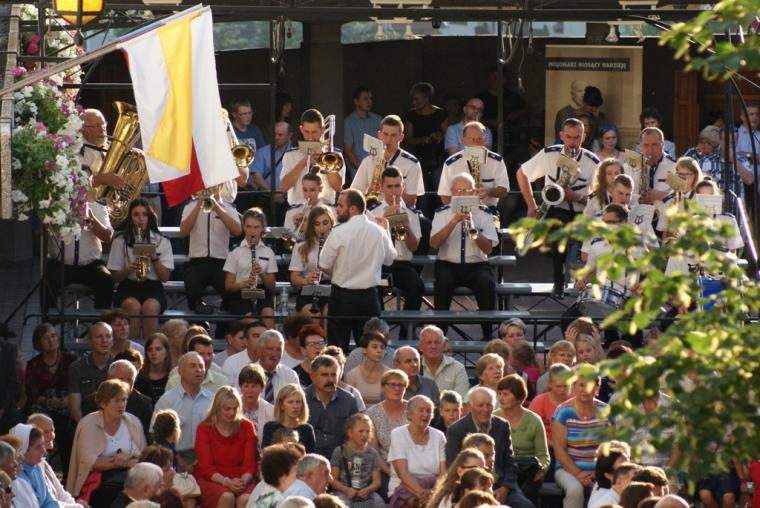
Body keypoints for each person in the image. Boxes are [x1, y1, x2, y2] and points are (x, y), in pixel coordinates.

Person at [516, 118, 600, 296]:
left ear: (584, 137)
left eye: (577, 138)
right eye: (568, 137)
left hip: (582, 212)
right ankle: (558, 281)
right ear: (561, 136)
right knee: (558, 228)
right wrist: (531, 205)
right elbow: (521, 174)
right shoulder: (549, 154)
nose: (572, 142)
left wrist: (576, 197)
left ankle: (586, 283)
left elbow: (599, 198)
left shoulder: (592, 161)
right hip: (556, 209)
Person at [318, 189, 396, 353]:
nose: (337, 209)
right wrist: (386, 230)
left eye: (340, 205)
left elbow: (323, 264)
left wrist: (339, 272)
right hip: (369, 297)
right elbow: (390, 260)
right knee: (370, 350)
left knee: (337, 350)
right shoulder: (378, 231)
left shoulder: (338, 232)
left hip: (342, 297)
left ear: (353, 208)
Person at [430, 173, 499, 339]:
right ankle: (440, 337)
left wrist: (472, 227)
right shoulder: (441, 213)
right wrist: (454, 221)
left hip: (476, 265)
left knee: (486, 283)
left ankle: (487, 335)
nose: (461, 195)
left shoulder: (485, 213)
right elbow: (434, 244)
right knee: (443, 284)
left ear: (473, 191)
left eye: (466, 191)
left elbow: (488, 249)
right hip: (448, 264)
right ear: (452, 193)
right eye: (458, 191)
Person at [445, 387, 533, 508]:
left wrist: (505, 488)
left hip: (501, 485)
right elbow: (453, 466)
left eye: (489, 405)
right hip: (472, 488)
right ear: (470, 406)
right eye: (481, 405)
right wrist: (480, 490)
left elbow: (510, 462)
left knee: (526, 506)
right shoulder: (456, 431)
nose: (485, 409)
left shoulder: (502, 426)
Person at [67, 379, 147, 505]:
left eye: (124, 400)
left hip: (130, 480)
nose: (122, 405)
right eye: (116, 400)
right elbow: (90, 463)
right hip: (97, 483)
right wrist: (123, 462)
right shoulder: (88, 423)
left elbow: (142, 458)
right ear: (103, 403)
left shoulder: (133, 422)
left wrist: (123, 462)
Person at [107, 198, 174, 339]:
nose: (141, 219)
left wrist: (154, 258)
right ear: (130, 217)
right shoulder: (120, 240)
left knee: (150, 308)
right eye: (136, 214)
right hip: (128, 286)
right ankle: (132, 349)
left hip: (153, 287)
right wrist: (128, 270)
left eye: (144, 214)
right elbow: (115, 277)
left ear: (150, 217)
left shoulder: (162, 240)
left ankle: (151, 349)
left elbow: (165, 277)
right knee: (133, 307)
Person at [367, 167, 424, 318]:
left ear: (403, 186)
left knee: (416, 285)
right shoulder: (372, 212)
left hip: (401, 264)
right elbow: (368, 246)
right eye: (389, 187)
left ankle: (407, 329)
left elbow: (413, 247)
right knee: (371, 286)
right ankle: (379, 326)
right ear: (381, 188)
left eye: (397, 186)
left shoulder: (412, 212)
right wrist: (384, 222)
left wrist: (403, 223)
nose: (394, 192)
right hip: (378, 264)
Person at [179, 180, 242, 313]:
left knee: (230, 293)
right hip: (197, 261)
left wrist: (217, 206)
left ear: (220, 186)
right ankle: (200, 318)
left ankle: (223, 317)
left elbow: (237, 230)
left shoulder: (228, 207)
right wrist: (198, 205)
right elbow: (183, 231)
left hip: (221, 262)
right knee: (192, 286)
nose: (208, 187)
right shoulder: (190, 206)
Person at [552, 372, 612, 508]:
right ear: (574, 387)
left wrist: (597, 473)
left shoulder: (606, 412)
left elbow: (612, 447)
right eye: (581, 385)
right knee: (575, 490)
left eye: (590, 385)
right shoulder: (563, 412)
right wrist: (579, 474)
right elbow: (559, 450)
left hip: (600, 470)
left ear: (597, 388)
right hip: (567, 469)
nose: (585, 390)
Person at [44, 196, 114, 311]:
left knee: (106, 279)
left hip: (90, 265)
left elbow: (107, 237)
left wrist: (90, 219)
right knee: (47, 280)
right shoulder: (55, 202)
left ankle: (101, 320)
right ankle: (50, 320)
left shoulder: (97, 205)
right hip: (61, 264)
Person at [24, 323, 76, 476]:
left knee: (67, 428)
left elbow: (76, 386)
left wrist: (66, 400)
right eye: (46, 338)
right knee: (37, 421)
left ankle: (69, 474)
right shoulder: (33, 364)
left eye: (53, 336)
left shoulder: (71, 360)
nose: (51, 340)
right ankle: (38, 468)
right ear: (38, 342)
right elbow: (31, 393)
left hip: (67, 403)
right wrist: (48, 401)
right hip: (43, 405)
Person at [195, 386, 257, 508]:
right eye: (227, 409)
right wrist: (226, 482)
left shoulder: (247, 426)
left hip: (241, 478)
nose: (232, 413)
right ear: (217, 408)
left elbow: (249, 465)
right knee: (227, 497)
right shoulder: (204, 429)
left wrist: (242, 482)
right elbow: (206, 468)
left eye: (235, 408)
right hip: (213, 478)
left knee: (245, 499)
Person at [494, 375, 550, 504]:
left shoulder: (534, 420)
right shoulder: (494, 418)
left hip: (528, 472)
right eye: (499, 394)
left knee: (528, 491)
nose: (501, 398)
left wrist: (542, 470)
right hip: (502, 471)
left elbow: (543, 454)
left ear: (519, 397)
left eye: (506, 394)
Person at [350, 115, 424, 207]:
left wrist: (386, 190)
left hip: (399, 211)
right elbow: (355, 193)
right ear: (379, 135)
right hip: (372, 212)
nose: (388, 140)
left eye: (393, 135)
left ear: (401, 137)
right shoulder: (368, 161)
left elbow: (411, 201)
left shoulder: (412, 164)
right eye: (385, 134)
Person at [387, 395, 446, 507]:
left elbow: (443, 473)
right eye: (421, 410)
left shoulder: (439, 436)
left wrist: (433, 493)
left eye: (429, 411)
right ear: (410, 414)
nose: (425, 414)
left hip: (433, 489)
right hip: (405, 489)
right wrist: (422, 494)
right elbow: (402, 473)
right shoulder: (398, 434)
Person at [151, 352, 213, 458]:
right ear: (180, 371)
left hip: (207, 456)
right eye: (193, 366)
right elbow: (155, 435)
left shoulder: (212, 399)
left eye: (201, 366)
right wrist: (177, 459)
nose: (198, 370)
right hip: (175, 457)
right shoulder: (167, 401)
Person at [223, 208, 277, 326]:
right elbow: (228, 286)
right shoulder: (235, 251)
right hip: (240, 294)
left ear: (262, 228)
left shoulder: (268, 251)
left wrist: (261, 273)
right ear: (243, 227)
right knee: (254, 323)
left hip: (261, 292)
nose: (252, 231)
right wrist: (244, 284)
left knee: (268, 318)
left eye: (256, 227)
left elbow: (272, 286)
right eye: (248, 227)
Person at [280, 108, 345, 206]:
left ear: (323, 130)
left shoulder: (335, 155)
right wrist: (303, 162)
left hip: (325, 209)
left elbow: (338, 187)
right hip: (298, 208)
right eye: (307, 132)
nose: (310, 137)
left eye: (314, 132)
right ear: (301, 129)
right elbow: (283, 187)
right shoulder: (290, 155)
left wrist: (326, 161)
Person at [9, 423, 84, 507]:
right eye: (38, 447)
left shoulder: (37, 468)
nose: (44, 451)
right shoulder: (15, 478)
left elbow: (49, 501)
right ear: (22, 450)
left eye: (43, 446)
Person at [438, 122, 509, 209]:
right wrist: (467, 204)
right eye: (471, 139)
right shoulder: (452, 163)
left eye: (479, 139)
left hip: (488, 210)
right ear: (462, 140)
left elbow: (504, 191)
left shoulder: (496, 161)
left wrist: (489, 191)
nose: (476, 143)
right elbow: (445, 197)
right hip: (459, 210)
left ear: (485, 140)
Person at [402, 82, 448, 217]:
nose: (414, 102)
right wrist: (424, 140)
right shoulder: (411, 115)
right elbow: (408, 139)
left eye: (417, 99)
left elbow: (447, 135)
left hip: (437, 160)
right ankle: (423, 224)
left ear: (426, 98)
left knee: (440, 194)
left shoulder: (441, 114)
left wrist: (439, 136)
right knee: (421, 197)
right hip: (418, 161)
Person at [363, 369, 409, 499]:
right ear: (383, 387)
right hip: (384, 467)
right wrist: (392, 473)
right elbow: (374, 451)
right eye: (392, 384)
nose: (397, 388)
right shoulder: (371, 413)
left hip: (413, 465)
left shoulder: (413, 409)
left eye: (401, 385)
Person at [81, 360, 153, 437]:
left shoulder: (143, 403)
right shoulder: (92, 402)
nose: (125, 383)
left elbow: (145, 436)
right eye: (121, 379)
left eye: (129, 380)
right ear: (109, 379)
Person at [305, 356, 359, 458]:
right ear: (312, 377)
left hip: (340, 457)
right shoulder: (301, 399)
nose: (330, 379)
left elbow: (354, 436)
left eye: (334, 375)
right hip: (307, 456)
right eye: (324, 375)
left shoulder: (349, 401)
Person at [27, 413, 83, 507]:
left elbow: (61, 493)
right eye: (45, 432)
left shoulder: (43, 463)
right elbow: (49, 502)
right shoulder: (31, 467)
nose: (51, 435)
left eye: (52, 430)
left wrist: (75, 505)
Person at [289, 204, 335, 318]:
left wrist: (327, 270)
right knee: (313, 315)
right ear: (312, 226)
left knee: (329, 313)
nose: (322, 228)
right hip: (308, 290)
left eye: (325, 223)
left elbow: (345, 274)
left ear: (331, 223)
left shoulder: (338, 244)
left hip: (332, 290)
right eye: (317, 224)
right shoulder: (301, 245)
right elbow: (294, 278)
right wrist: (306, 280)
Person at [328, 414, 384, 508]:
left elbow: (377, 481)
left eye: (367, 431)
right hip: (343, 492)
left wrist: (368, 490)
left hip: (365, 492)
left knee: (379, 503)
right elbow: (333, 479)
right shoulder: (340, 451)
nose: (365, 435)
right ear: (350, 433)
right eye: (361, 431)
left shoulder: (372, 453)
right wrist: (346, 490)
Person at [68, 322, 114, 423]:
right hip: (85, 423)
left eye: (108, 336)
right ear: (90, 341)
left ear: (112, 341)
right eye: (99, 337)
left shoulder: (119, 367)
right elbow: (75, 410)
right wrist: (89, 428)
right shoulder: (76, 368)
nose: (104, 340)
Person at [240, 330, 299, 402]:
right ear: (259, 350)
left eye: (278, 350)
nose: (274, 354)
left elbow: (297, 402)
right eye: (270, 349)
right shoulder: (246, 373)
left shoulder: (290, 375)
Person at [624, 127, 676, 204]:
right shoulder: (630, 165)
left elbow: (682, 194)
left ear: (663, 144)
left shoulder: (673, 166)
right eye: (646, 145)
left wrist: (662, 195)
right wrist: (638, 199)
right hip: (637, 210)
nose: (650, 150)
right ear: (640, 146)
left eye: (654, 145)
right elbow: (621, 191)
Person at [261, 384, 316, 453]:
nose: (295, 406)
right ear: (281, 405)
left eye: (298, 402)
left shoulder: (307, 429)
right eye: (290, 402)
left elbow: (311, 456)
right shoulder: (270, 428)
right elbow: (265, 454)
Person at [418, 325, 469, 398]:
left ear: (443, 345)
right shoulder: (414, 367)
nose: (433, 346)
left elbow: (460, 400)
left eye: (437, 342)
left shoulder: (458, 368)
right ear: (420, 347)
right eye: (429, 343)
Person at [246, 444, 304, 508]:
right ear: (282, 474)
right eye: (295, 469)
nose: (299, 473)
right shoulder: (274, 497)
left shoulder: (268, 492)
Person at [343, 87, 383, 175]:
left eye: (370, 98)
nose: (369, 101)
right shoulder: (349, 122)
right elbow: (348, 151)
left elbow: (385, 144)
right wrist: (362, 169)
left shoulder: (378, 120)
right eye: (365, 99)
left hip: (377, 169)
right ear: (356, 101)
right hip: (358, 169)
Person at [251, 121, 296, 197]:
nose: (276, 137)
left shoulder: (296, 153)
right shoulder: (262, 152)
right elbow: (257, 178)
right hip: (267, 198)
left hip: (291, 198)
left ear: (289, 135)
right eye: (274, 134)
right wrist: (273, 194)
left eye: (280, 135)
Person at [345, 333, 390, 406]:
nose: (379, 350)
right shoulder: (352, 375)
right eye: (374, 347)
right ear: (364, 350)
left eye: (382, 347)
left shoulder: (390, 374)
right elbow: (349, 403)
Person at [237, 364, 274, 449]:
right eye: (246, 386)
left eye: (254, 386)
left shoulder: (271, 412)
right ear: (240, 387)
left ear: (262, 388)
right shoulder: (232, 407)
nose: (250, 391)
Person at [222, 321, 267, 387]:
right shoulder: (231, 363)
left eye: (264, 336)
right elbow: (229, 392)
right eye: (256, 336)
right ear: (246, 341)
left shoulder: (277, 361)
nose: (261, 340)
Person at [320, 346, 365, 412]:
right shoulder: (311, 392)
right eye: (331, 364)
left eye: (339, 363)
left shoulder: (353, 393)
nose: (336, 368)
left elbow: (361, 416)